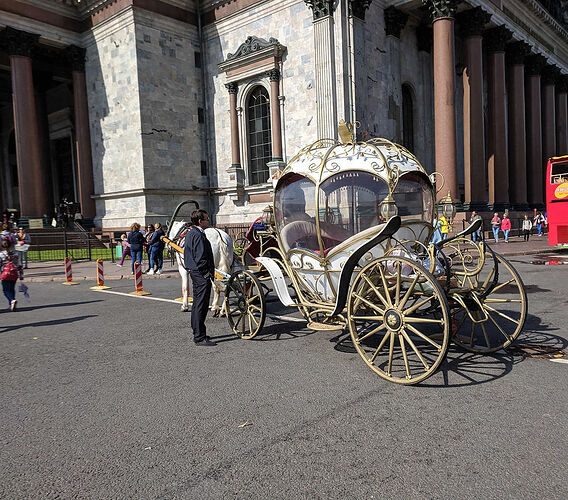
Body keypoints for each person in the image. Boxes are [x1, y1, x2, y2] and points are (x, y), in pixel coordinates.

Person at [184, 209, 216, 346]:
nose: (209, 220)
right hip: (200, 273)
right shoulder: (197, 234)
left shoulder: (193, 233)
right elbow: (200, 256)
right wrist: (206, 274)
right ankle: (199, 337)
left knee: (199, 304)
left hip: (196, 272)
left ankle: (199, 332)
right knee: (200, 305)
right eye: (207, 218)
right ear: (200, 221)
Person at [0, 238, 23, 311]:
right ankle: (11, 304)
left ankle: (12, 300)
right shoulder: (16, 254)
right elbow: (19, 265)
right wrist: (21, 275)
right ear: (11, 245)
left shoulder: (1, 255)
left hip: (5, 273)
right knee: (11, 288)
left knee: (6, 290)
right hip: (14, 273)